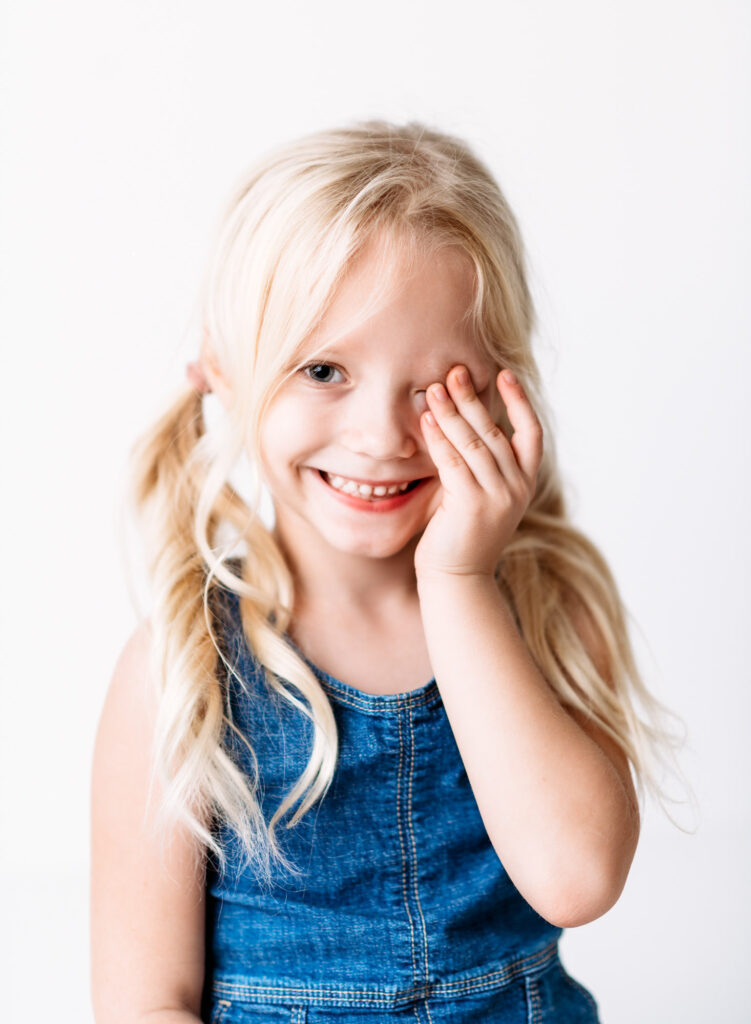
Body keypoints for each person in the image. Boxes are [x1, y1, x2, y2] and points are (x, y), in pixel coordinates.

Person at [90, 120, 684, 1024]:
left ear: (498, 390)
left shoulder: (548, 609)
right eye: (324, 369)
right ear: (219, 365)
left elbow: (577, 878)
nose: (380, 435)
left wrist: (458, 583)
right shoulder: (181, 670)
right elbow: (143, 1004)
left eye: (434, 385)